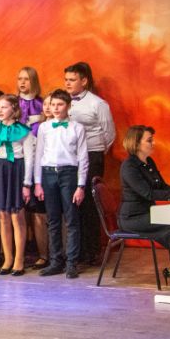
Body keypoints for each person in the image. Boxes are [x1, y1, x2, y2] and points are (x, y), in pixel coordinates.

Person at [64, 61, 115, 266]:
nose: (68, 83)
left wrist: (96, 152)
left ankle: (92, 250)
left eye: (72, 80)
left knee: (89, 204)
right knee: (72, 203)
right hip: (70, 157)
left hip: (92, 155)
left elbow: (109, 133)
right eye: (66, 80)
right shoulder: (63, 102)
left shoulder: (98, 104)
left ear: (84, 81)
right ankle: (76, 250)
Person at [33, 90, 89, 278]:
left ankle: (72, 262)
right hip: (48, 173)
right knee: (53, 219)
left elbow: (83, 158)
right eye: (53, 104)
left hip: (69, 173)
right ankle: (55, 261)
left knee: (71, 219)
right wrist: (38, 182)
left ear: (68, 106)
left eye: (60, 104)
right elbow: (39, 155)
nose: (55, 108)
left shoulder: (77, 128)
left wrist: (80, 186)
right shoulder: (44, 127)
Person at [0, 95, 34, 276]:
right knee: (3, 216)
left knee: (17, 216)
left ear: (14, 109)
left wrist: (26, 183)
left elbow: (29, 159)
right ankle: (8, 258)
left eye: (4, 107)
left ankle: (19, 259)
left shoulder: (24, 131)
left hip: (16, 171)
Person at [117, 125, 170, 254]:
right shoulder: (129, 166)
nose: (154, 143)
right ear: (136, 144)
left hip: (149, 213)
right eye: (149, 140)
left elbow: (162, 187)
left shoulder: (149, 161)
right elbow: (148, 194)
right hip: (133, 218)